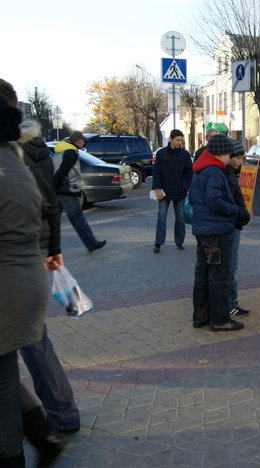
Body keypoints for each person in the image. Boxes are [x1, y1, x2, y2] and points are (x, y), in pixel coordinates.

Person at [0, 94, 68, 467]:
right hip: (29, 272)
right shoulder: (20, 158)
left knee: (9, 378)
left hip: (10, 281)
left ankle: (30, 445)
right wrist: (53, 249)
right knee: (7, 373)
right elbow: (51, 206)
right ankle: (45, 437)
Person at [189, 134, 244, 332]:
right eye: (229, 151)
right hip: (216, 232)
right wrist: (234, 210)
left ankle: (201, 316)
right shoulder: (214, 171)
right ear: (222, 152)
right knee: (218, 276)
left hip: (204, 231)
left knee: (203, 274)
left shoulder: (201, 168)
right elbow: (213, 200)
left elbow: (194, 198)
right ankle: (220, 319)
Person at [53, 131, 106, 252]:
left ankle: (45, 243)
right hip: (68, 190)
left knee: (53, 219)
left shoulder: (60, 150)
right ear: (78, 141)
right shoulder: (71, 152)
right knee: (78, 219)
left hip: (60, 190)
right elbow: (63, 171)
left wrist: (54, 186)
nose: (83, 143)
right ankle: (91, 243)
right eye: (83, 141)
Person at [152, 129, 193, 253]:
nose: (179, 142)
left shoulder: (184, 155)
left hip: (179, 192)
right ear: (171, 139)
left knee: (180, 218)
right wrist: (157, 189)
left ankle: (179, 241)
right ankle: (158, 243)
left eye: (181, 140)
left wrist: (184, 187)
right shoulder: (161, 154)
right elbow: (156, 172)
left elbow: (188, 173)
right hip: (164, 192)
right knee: (161, 217)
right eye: (177, 140)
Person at [224, 143, 251, 319]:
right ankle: (229, 303)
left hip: (235, 224)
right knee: (230, 266)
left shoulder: (230, 174)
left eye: (242, 158)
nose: (241, 162)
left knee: (231, 265)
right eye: (238, 158)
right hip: (231, 226)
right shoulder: (224, 176)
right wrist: (241, 214)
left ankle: (230, 301)